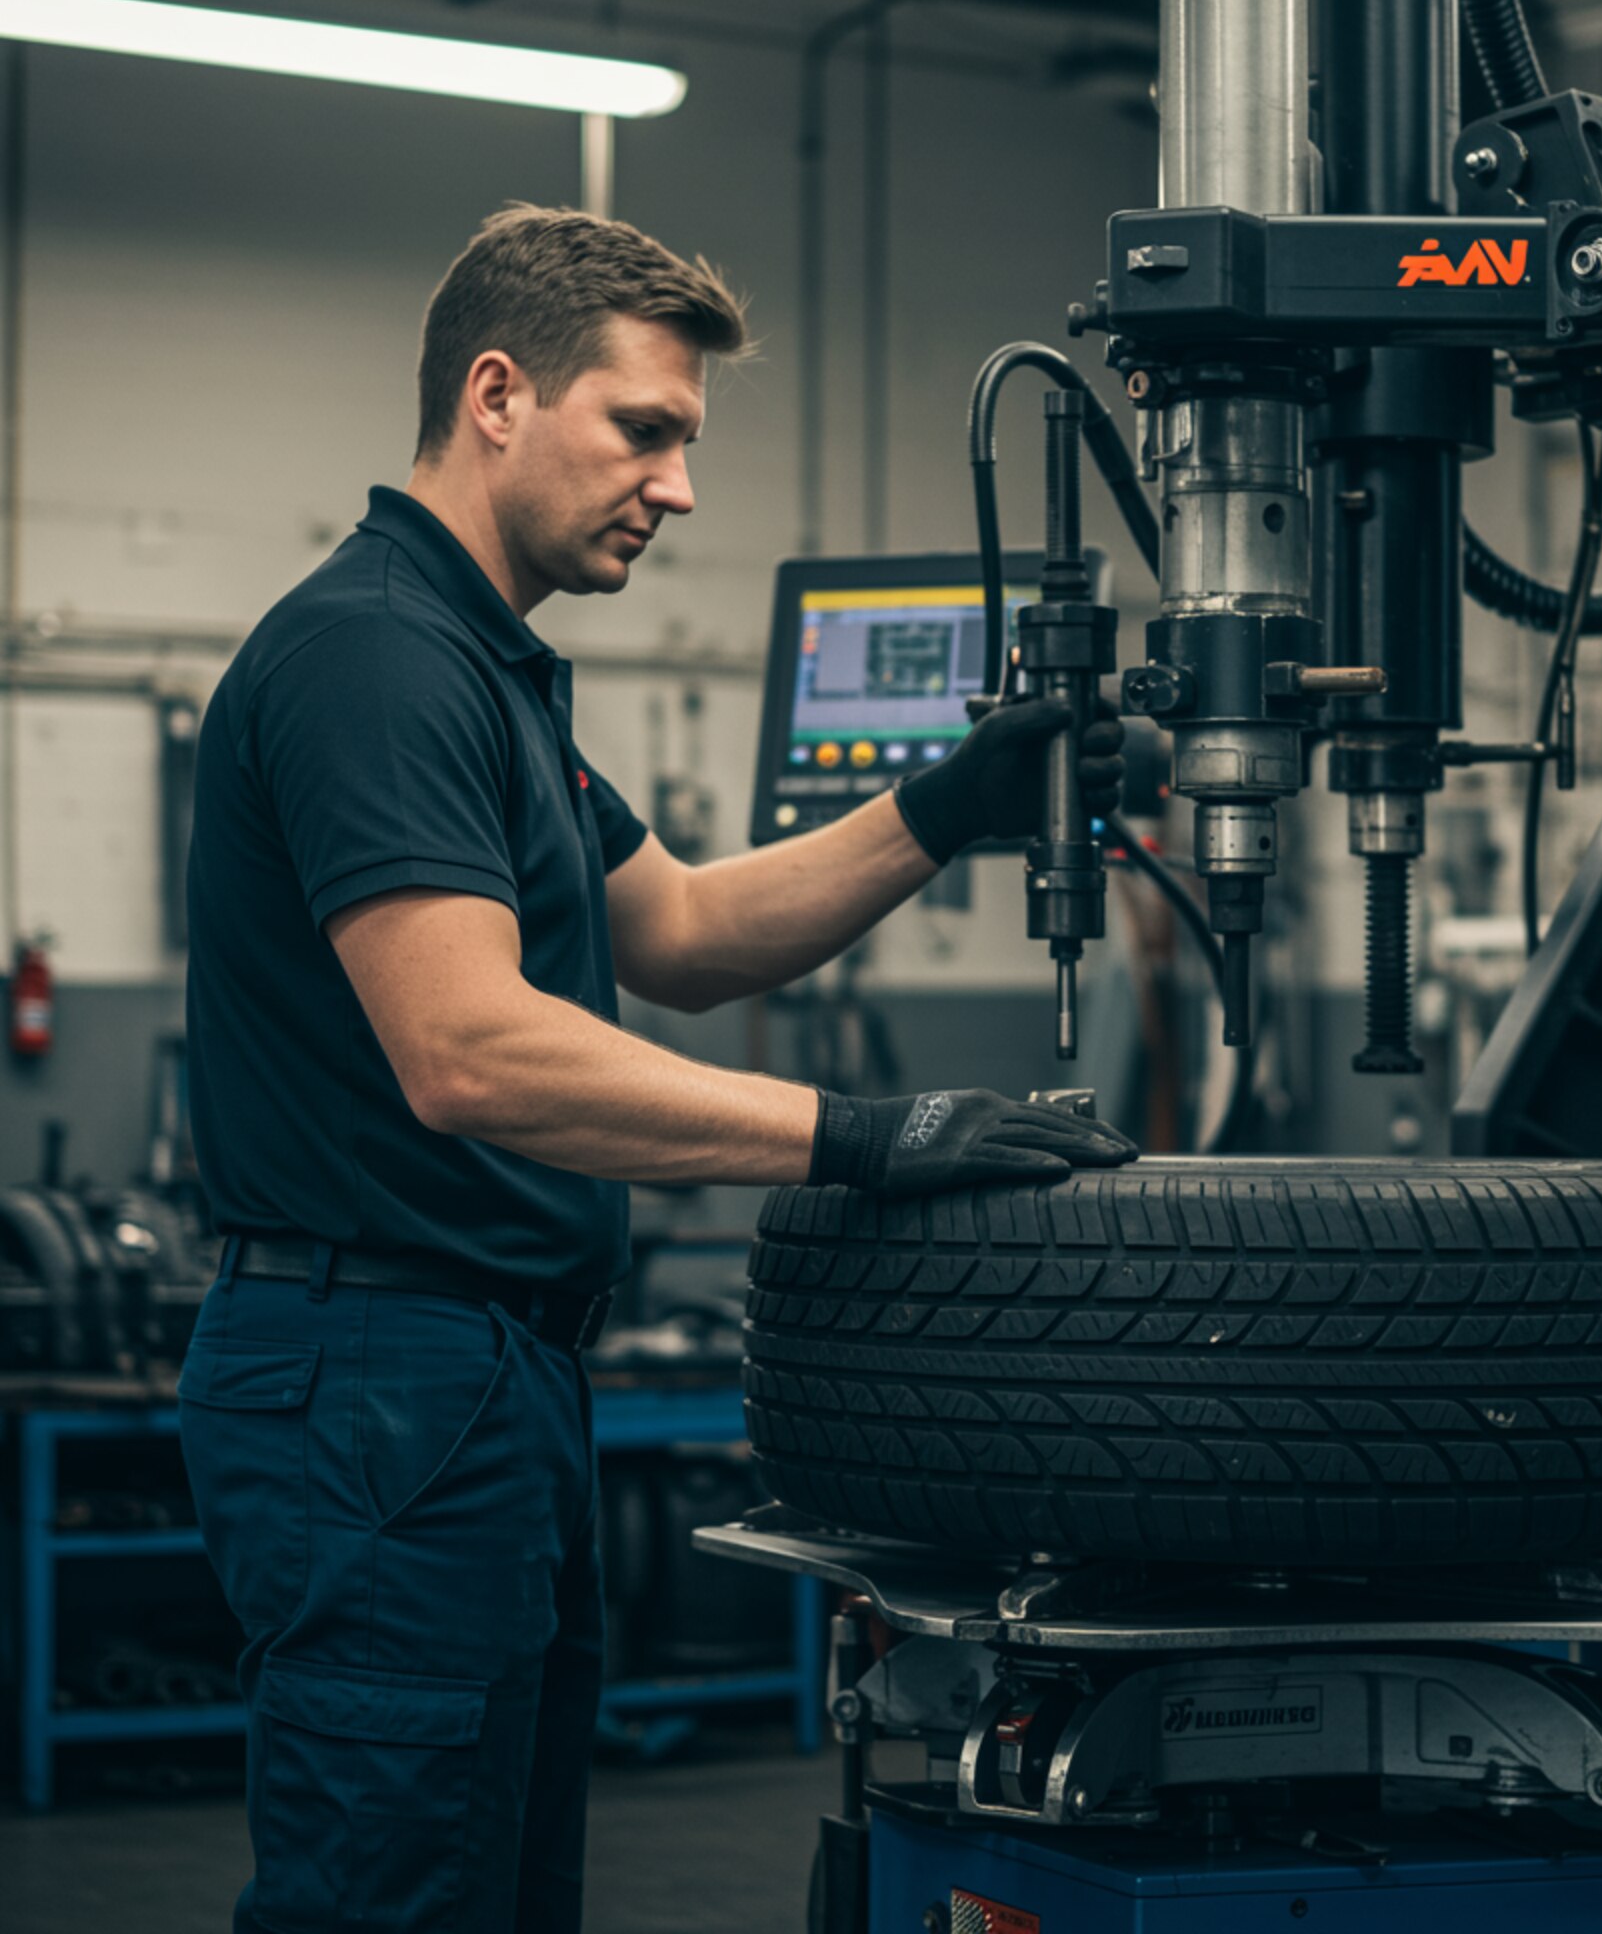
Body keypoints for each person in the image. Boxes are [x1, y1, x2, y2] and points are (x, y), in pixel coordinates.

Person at [177, 202, 1137, 1933]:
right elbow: (468, 1051)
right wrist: (864, 1131)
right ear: (496, 397)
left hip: (480, 1373)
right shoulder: (375, 657)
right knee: (394, 1895)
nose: (678, 488)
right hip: (382, 1372)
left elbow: (684, 930)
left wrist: (948, 806)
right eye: (643, 430)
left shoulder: (486, 670)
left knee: (492, 1882)